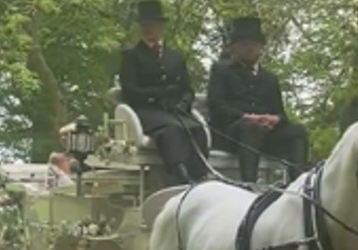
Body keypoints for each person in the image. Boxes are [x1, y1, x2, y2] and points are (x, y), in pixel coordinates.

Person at [208, 16, 309, 183]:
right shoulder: (222, 71)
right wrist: (246, 117)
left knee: (297, 132)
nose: (249, 48)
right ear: (234, 48)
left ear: (260, 47)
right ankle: (249, 183)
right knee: (251, 128)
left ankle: (298, 182)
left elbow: (281, 113)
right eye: (244, 44)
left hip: (266, 134)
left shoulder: (269, 79)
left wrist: (274, 119)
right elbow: (216, 105)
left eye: (253, 44)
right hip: (233, 133)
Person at [119, 0, 208, 185]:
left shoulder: (175, 57)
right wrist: (158, 94)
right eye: (145, 25)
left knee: (196, 128)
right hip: (147, 110)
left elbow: (187, 89)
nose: (148, 29)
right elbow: (130, 90)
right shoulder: (132, 56)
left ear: (160, 26)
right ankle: (179, 174)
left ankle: (200, 174)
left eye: (152, 25)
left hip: (174, 110)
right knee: (172, 130)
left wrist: (184, 103)